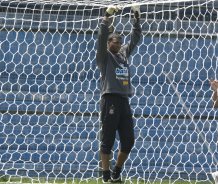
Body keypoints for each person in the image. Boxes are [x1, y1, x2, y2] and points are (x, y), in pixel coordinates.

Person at [96, 5, 142, 183]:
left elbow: (136, 38)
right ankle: (106, 174)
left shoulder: (123, 55)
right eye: (114, 41)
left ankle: (117, 170)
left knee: (129, 141)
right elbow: (101, 36)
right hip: (110, 100)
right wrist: (107, 17)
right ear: (108, 44)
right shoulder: (105, 57)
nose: (118, 43)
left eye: (119, 41)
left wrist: (136, 18)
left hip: (124, 101)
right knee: (107, 141)